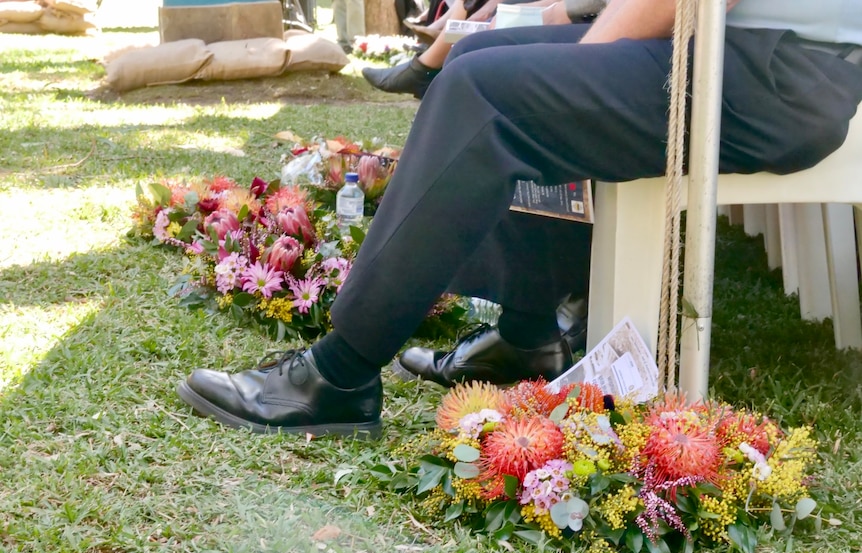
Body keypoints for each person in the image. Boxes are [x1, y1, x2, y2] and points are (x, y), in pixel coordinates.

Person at [177, 0, 862, 439]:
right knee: (476, 59)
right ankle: (528, 334)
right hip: (743, 48)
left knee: (487, 93)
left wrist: (569, 81)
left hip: (782, 71)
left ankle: (341, 371)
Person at [363, 0, 606, 98]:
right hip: (574, 10)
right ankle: (427, 61)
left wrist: (547, 13)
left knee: (471, 46)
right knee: (476, 32)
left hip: (588, 18)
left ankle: (424, 67)